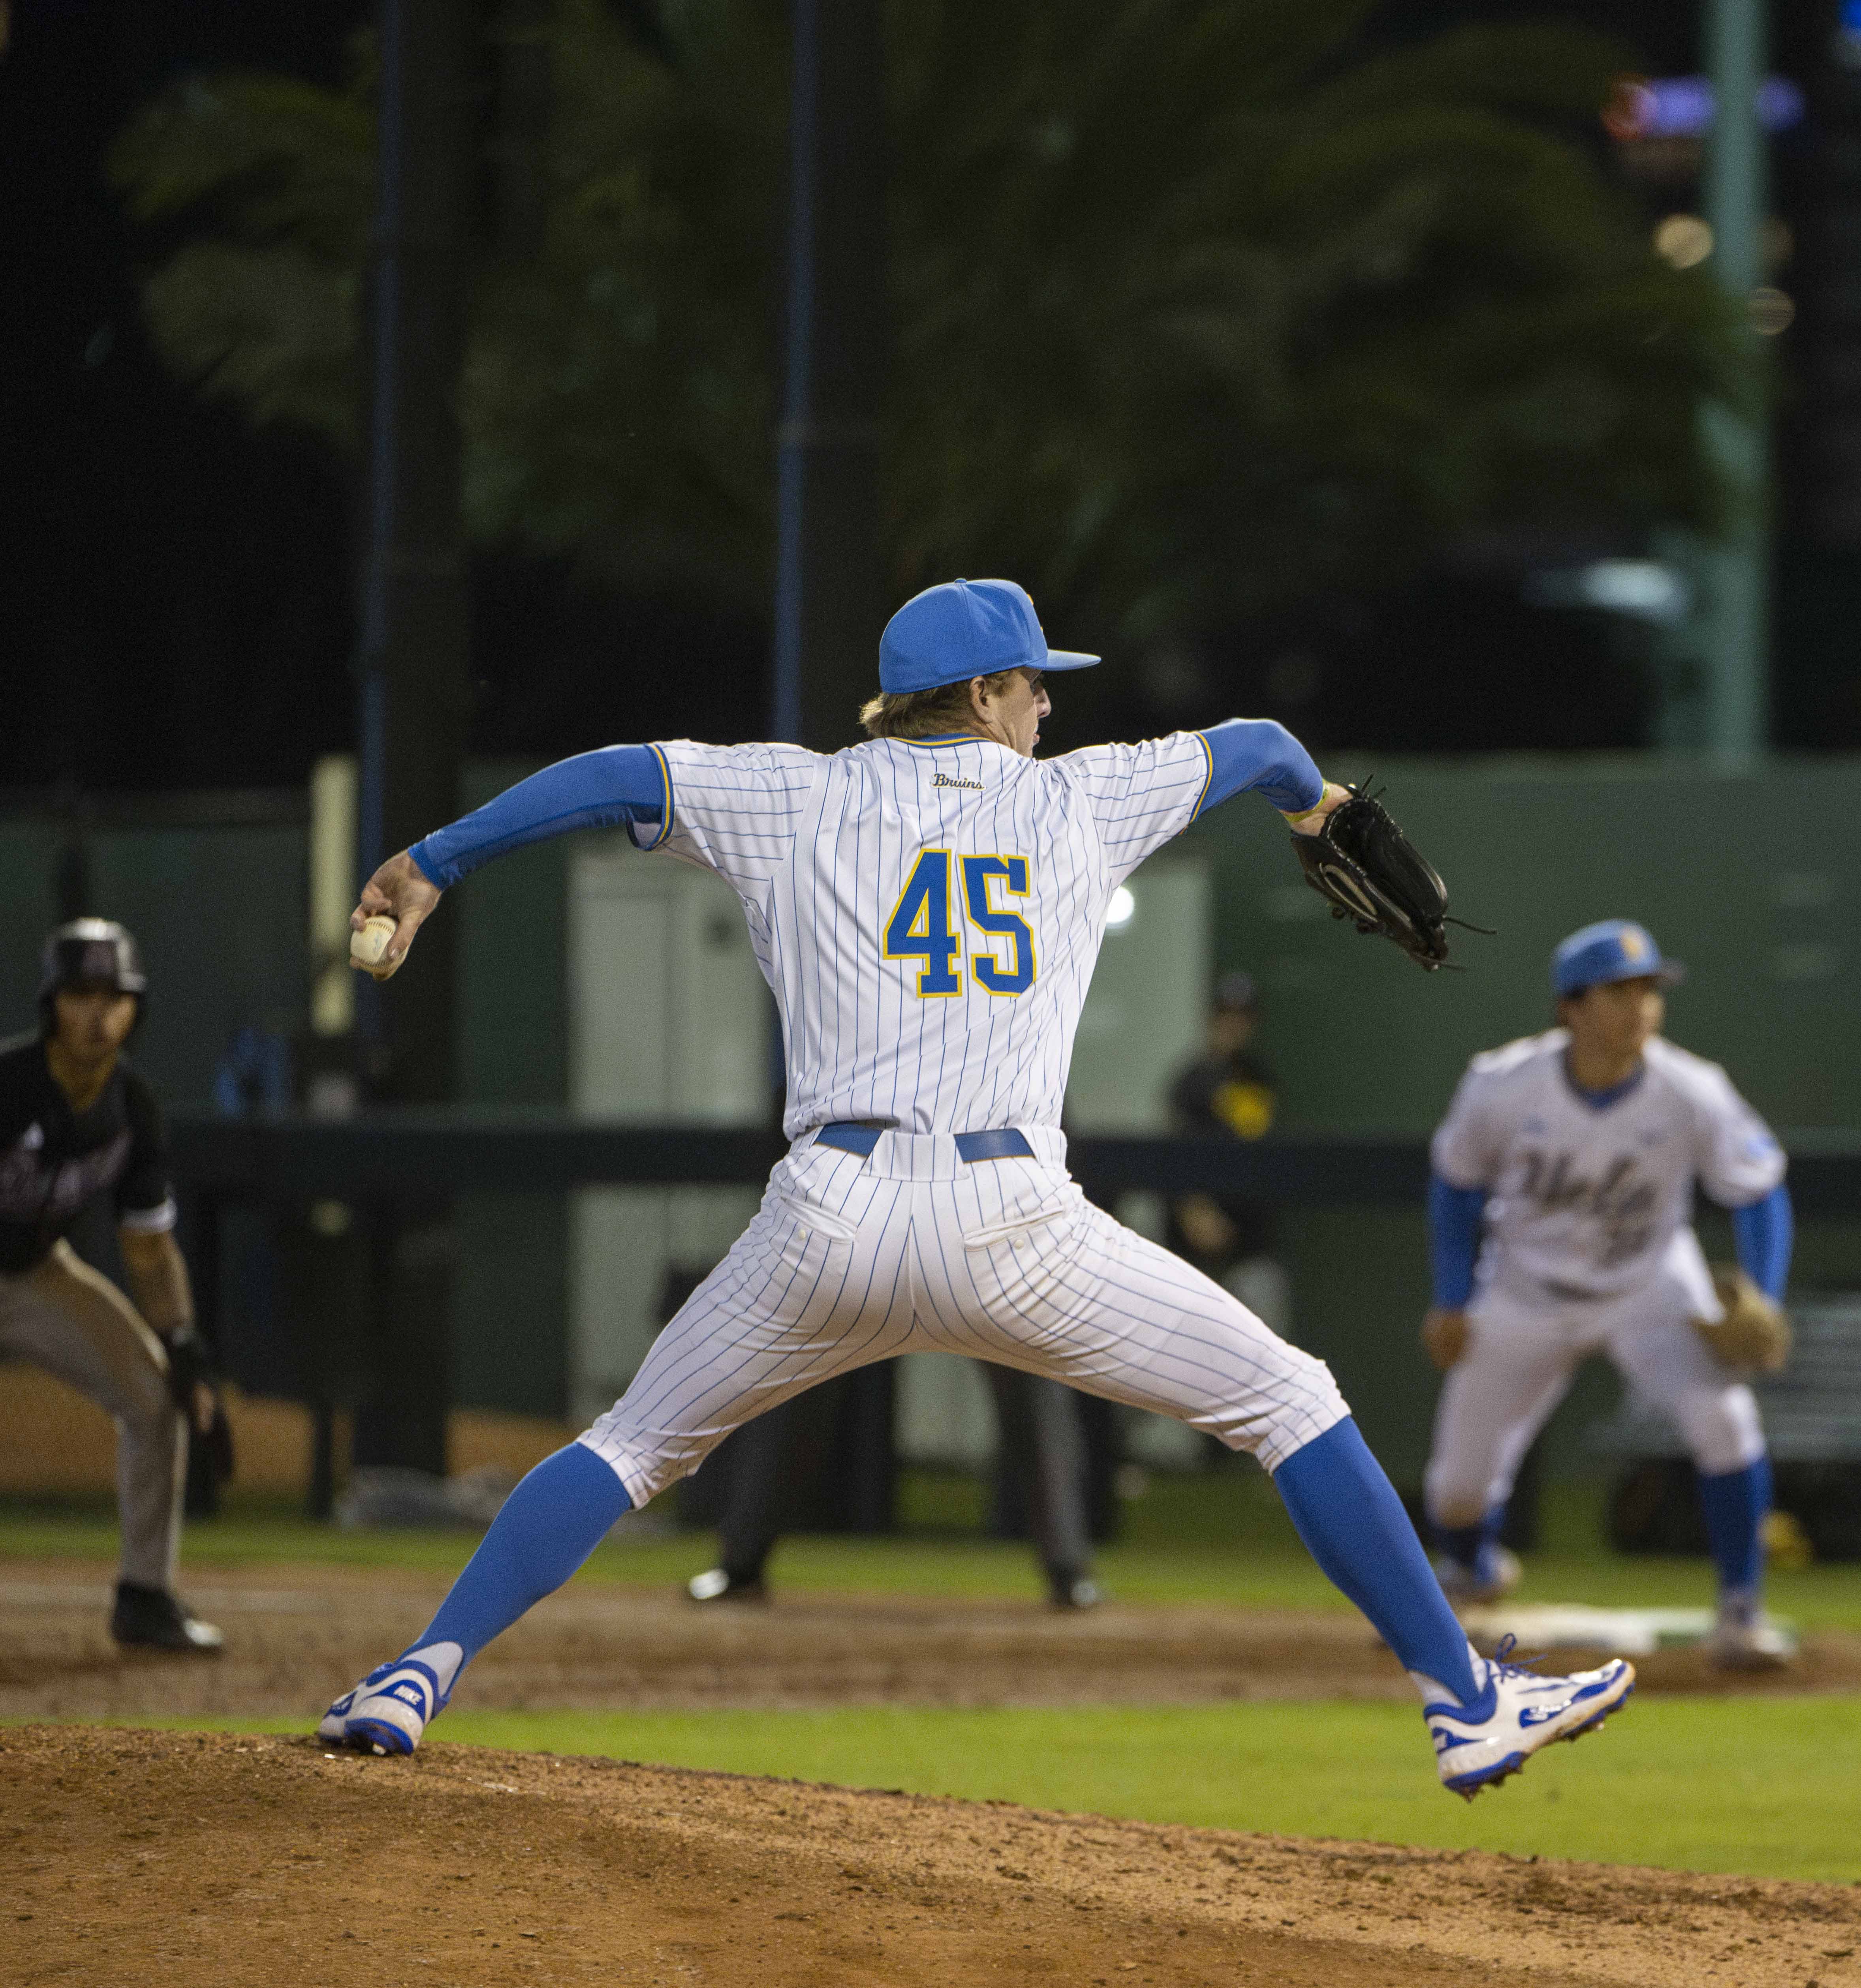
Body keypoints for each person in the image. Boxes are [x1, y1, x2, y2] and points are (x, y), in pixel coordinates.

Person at [314, 577, 1629, 1797]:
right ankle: (1464, 1700)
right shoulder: (1081, 799)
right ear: (988, 696)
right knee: (1287, 1398)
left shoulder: (794, 794)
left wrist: (434, 860)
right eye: (1035, 686)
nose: (1050, 706)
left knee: (632, 1445)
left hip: (826, 1216)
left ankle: (418, 1672)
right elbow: (1266, 741)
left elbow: (610, 777)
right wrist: (1316, 810)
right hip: (1015, 1224)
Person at [1419, 918, 1797, 1670]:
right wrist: (1453, 1296)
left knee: (1726, 1422)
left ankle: (1740, 1611)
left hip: (1648, 1282)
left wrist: (1764, 1290)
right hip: (1525, 1285)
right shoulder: (1502, 1082)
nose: (1641, 1007)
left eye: (1649, 990)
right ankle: (1472, 1568)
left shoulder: (1691, 1088)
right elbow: (1456, 1186)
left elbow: (1758, 1190)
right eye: (1619, 991)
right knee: (1457, 1488)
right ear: (1571, 1006)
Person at [0, 920, 226, 1653]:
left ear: (136, 1010)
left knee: (154, 1391)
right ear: (51, 1005)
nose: (98, 1013)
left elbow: (151, 1251)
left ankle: (145, 1596)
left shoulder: (133, 1109)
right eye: (80, 994)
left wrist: (185, 1346)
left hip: (35, 1270)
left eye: (114, 996)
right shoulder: (8, 1085)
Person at [685, 1360, 1102, 1610]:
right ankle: (740, 1566)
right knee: (798, 1382)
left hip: (978, 1241)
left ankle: (1068, 1571)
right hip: (871, 1240)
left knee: (1034, 1383)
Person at [1164, 973, 1286, 1330]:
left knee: (1265, 1346)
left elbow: (1259, 1146)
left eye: (1243, 1017)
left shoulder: (1260, 1078)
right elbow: (1173, 1156)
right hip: (1193, 1257)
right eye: (1226, 1015)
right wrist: (1193, 1207)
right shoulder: (1189, 1081)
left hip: (1251, 1245)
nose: (1234, 1025)